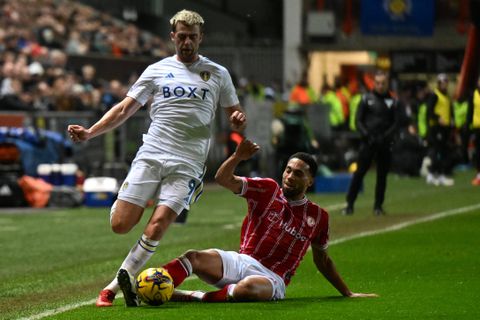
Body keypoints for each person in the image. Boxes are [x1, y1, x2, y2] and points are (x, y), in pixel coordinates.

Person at [67, 9, 247, 307]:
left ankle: (111, 288)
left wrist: (239, 120)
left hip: (188, 163)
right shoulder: (155, 70)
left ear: (201, 38)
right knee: (121, 225)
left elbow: (235, 116)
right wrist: (90, 132)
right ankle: (140, 198)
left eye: (192, 37)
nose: (187, 42)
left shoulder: (217, 73)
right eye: (182, 36)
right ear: (172, 37)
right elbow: (125, 109)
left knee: (159, 223)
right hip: (152, 154)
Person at [117, 139, 377, 303]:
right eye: (288, 170)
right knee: (193, 257)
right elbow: (223, 179)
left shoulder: (319, 217)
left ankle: (190, 297)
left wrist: (347, 292)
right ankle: (150, 287)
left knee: (249, 289)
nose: (289, 176)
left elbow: (323, 260)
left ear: (310, 181)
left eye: (298, 174)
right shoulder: (267, 189)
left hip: (272, 279)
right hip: (241, 261)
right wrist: (237, 157)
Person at [342, 71, 400, 216]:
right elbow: (358, 120)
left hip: (385, 143)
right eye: (378, 83)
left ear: (387, 84)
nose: (380, 86)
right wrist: (367, 135)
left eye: (383, 83)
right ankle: (349, 204)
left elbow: (396, 122)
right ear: (374, 83)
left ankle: (378, 206)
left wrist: (386, 136)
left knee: (382, 176)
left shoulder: (393, 101)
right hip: (368, 143)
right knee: (359, 173)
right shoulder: (366, 99)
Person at [425, 73, 455, 186]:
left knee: (442, 151)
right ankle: (434, 174)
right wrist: (438, 118)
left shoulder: (446, 96)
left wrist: (452, 121)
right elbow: (429, 112)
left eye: (446, 82)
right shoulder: (435, 95)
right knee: (437, 151)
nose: (444, 84)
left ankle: (437, 173)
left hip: (444, 128)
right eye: (442, 82)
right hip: (436, 128)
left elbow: (449, 110)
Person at [467, 76, 480, 185]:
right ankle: (479, 174)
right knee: (478, 151)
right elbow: (470, 111)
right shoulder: (473, 95)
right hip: (477, 127)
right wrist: (468, 125)